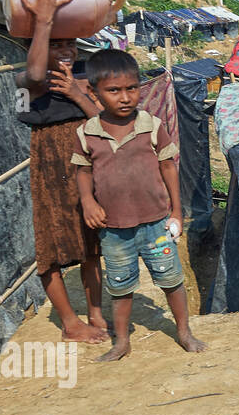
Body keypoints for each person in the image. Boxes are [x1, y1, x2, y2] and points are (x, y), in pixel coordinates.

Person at [71, 50, 206, 361]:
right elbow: (83, 171)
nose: (125, 97)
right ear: (95, 93)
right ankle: (121, 342)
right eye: (114, 90)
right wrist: (88, 201)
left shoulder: (151, 125)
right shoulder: (87, 133)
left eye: (131, 88)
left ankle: (184, 331)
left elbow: (169, 167)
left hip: (156, 223)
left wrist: (176, 211)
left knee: (171, 280)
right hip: (114, 229)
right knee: (120, 287)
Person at [14, 0, 107, 343]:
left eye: (69, 43)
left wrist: (76, 93)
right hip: (52, 166)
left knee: (91, 242)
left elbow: (102, 118)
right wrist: (44, 22)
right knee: (51, 243)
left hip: (88, 158)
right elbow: (36, 76)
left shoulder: (83, 75)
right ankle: (70, 323)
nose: (66, 51)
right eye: (55, 45)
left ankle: (96, 313)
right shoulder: (24, 80)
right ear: (35, 47)